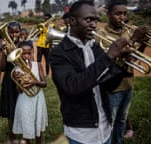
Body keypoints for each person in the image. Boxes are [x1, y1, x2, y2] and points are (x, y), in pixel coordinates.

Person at [49, 1, 133, 144]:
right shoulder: (59, 53)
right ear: (72, 21)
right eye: (88, 20)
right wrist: (108, 57)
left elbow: (108, 86)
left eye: (95, 20)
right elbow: (74, 86)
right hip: (80, 133)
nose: (94, 25)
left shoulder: (95, 47)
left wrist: (121, 63)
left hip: (105, 128)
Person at [96, 1, 148, 143]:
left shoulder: (128, 30)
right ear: (108, 15)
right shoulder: (101, 34)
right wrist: (133, 39)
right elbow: (110, 60)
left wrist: (142, 42)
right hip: (112, 86)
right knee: (109, 123)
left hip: (128, 84)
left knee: (121, 121)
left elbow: (133, 58)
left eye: (125, 13)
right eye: (118, 13)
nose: (122, 17)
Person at [12, 41, 48, 144]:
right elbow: (19, 91)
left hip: (38, 98)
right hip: (25, 100)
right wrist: (18, 81)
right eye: (23, 54)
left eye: (29, 53)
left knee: (38, 124)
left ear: (32, 52)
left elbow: (44, 83)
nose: (27, 56)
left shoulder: (38, 65)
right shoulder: (17, 70)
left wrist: (34, 82)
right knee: (26, 125)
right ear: (19, 54)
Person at [0, 21, 21, 143]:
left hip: (22, 80)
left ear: (21, 33)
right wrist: (3, 52)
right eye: (11, 32)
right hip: (9, 80)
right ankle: (12, 137)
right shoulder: (4, 48)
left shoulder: (25, 45)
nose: (13, 35)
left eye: (16, 32)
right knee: (11, 109)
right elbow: (1, 68)